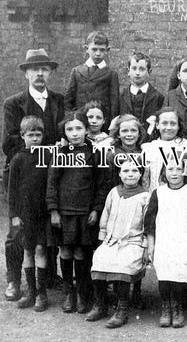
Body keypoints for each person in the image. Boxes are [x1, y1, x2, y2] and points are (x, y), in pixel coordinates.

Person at [2, 48, 64, 301]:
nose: (39, 74)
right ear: (26, 74)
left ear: (49, 73)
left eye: (44, 69)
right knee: (19, 229)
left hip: (51, 173)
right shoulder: (13, 103)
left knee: (47, 227)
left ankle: (47, 276)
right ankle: (15, 280)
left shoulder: (59, 100)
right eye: (34, 70)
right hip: (24, 171)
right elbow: (10, 141)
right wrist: (39, 150)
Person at [46, 111, 106, 314]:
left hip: (85, 212)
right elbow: (52, 184)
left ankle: (82, 293)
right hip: (64, 212)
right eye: (69, 129)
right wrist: (54, 211)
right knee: (65, 251)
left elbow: (100, 185)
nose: (74, 133)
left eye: (79, 128)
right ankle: (69, 292)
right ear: (64, 132)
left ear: (87, 130)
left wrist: (96, 209)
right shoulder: (60, 154)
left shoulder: (94, 154)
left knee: (81, 252)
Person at [87, 159, 150, 328]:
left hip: (133, 242)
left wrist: (145, 246)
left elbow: (148, 225)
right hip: (111, 241)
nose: (130, 174)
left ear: (140, 174)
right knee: (99, 261)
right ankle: (101, 304)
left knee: (123, 266)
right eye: (126, 171)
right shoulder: (114, 193)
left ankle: (122, 308)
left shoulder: (146, 196)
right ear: (120, 174)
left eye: (135, 171)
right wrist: (102, 241)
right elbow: (106, 216)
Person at [144, 157, 187, 328]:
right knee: (165, 274)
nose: (174, 173)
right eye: (170, 169)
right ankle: (166, 306)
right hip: (164, 240)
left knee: (180, 274)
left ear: (185, 171)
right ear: (163, 173)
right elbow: (150, 221)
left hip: (183, 238)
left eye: (178, 169)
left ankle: (178, 307)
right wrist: (151, 243)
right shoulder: (158, 193)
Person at [8, 116, 51, 312]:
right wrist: (14, 215)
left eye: (38, 134)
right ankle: (31, 291)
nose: (35, 138)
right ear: (23, 136)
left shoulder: (48, 155)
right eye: (30, 135)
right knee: (27, 250)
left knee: (41, 249)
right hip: (26, 213)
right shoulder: (18, 158)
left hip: (43, 211)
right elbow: (12, 189)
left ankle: (42, 294)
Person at [64, 31, 119, 130]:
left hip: (101, 124)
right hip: (80, 123)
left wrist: (111, 127)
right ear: (86, 49)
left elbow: (114, 104)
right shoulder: (77, 71)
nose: (98, 53)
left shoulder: (111, 74)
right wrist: (70, 120)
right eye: (94, 49)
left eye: (102, 50)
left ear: (107, 50)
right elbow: (68, 100)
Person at [141, 107, 187, 192]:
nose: (169, 127)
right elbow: (145, 179)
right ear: (157, 125)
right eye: (164, 123)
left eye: (173, 124)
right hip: (156, 198)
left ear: (178, 126)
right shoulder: (148, 148)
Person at [119, 52, 165, 132]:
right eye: (134, 68)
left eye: (142, 69)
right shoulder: (121, 96)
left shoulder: (158, 97)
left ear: (149, 72)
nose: (137, 73)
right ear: (128, 71)